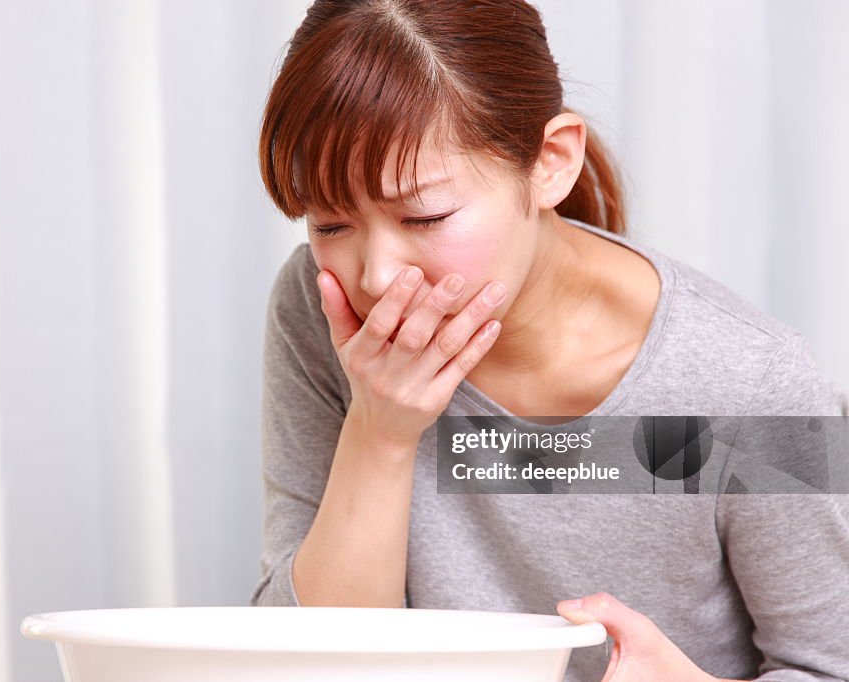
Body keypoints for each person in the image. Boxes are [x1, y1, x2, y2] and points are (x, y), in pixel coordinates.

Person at [249, 1, 849, 680]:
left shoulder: (755, 381)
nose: (377, 275)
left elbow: (828, 663)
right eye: (330, 224)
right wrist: (380, 431)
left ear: (552, 163)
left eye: (425, 215)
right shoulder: (321, 311)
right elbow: (301, 662)